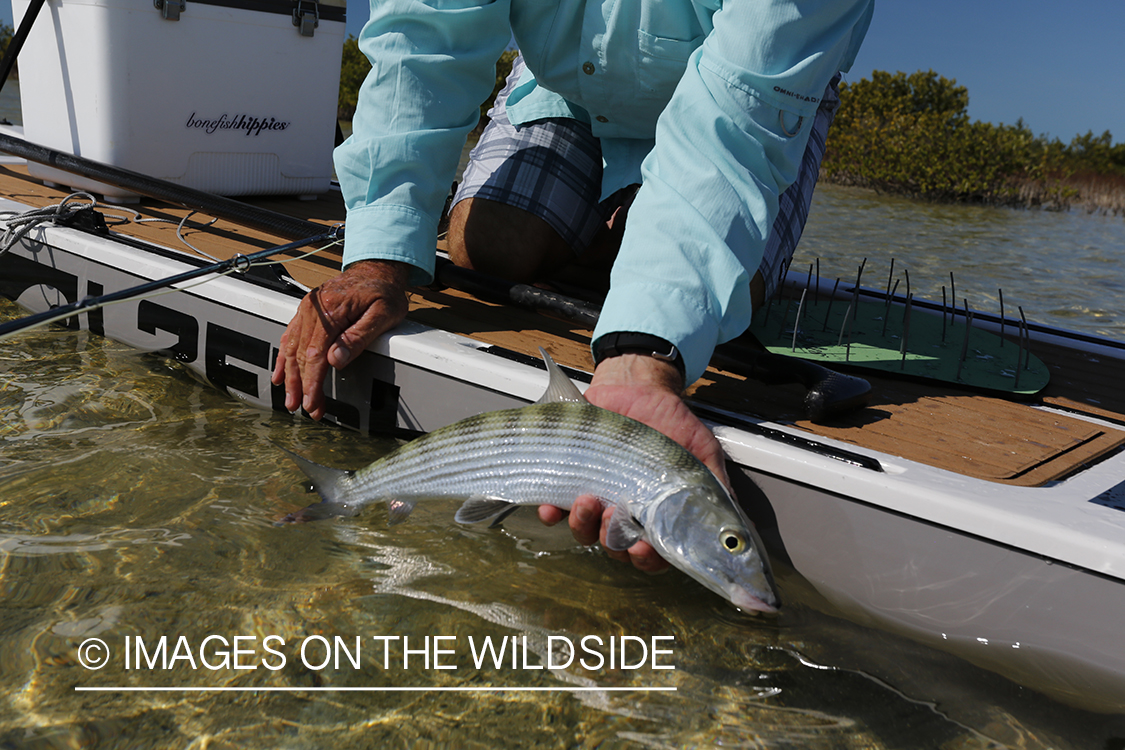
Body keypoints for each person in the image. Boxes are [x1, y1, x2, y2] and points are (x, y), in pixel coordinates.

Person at [273, 0, 875, 572]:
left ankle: (636, 233)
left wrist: (642, 358)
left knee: (732, 295)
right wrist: (379, 255)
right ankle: (628, 223)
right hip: (565, 86)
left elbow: (742, 116)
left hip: (753, 96)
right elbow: (424, 37)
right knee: (487, 246)